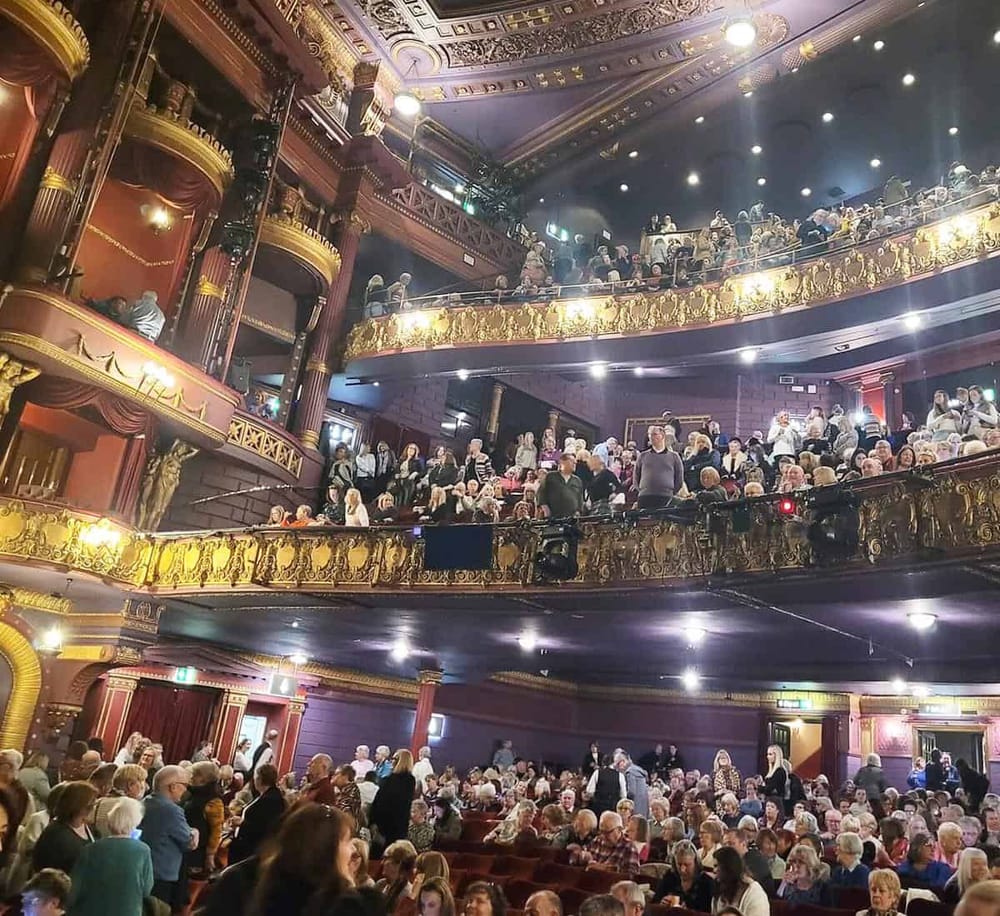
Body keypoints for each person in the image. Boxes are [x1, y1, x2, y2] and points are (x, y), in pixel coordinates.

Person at [67, 797, 153, 916]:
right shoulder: (143, 850)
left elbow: (74, 888)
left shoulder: (90, 849)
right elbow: (146, 889)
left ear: (110, 821)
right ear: (135, 823)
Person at [140, 765, 195, 911]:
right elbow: (188, 842)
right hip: (161, 875)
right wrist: (194, 832)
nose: (186, 790)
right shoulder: (173, 810)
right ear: (173, 787)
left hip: (142, 870)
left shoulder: (144, 802)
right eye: (185, 785)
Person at [32, 781, 97, 875]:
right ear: (75, 806)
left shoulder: (90, 829)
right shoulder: (54, 834)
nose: (92, 809)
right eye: (89, 806)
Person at [228, 763, 285, 865]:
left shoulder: (271, 800)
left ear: (259, 779)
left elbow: (265, 827)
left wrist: (242, 823)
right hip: (247, 847)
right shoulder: (265, 795)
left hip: (253, 850)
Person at [184, 761, 224, 878]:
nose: (191, 777)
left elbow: (216, 830)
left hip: (197, 854)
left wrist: (210, 854)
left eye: (195, 775)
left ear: (204, 778)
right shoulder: (190, 793)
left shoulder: (214, 801)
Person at [371, 749, 417, 848]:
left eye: (394, 759)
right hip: (401, 824)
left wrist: (373, 821)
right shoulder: (411, 781)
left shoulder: (388, 780)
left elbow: (379, 802)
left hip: (385, 823)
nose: (391, 761)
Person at [653, 839, 714, 909]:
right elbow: (654, 902)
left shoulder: (706, 882)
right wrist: (660, 905)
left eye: (687, 865)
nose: (682, 869)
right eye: (679, 864)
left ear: (695, 862)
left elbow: (710, 911)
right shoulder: (670, 876)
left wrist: (687, 911)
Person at [634, 426, 684, 509]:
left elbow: (679, 478)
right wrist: (642, 490)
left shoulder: (674, 456)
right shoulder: (643, 456)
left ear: (663, 436)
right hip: (645, 496)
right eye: (649, 434)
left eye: (654, 434)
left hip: (666, 496)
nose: (651, 437)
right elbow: (636, 476)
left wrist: (670, 492)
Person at [711, 845, 770, 916]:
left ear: (728, 868)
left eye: (716, 866)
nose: (714, 870)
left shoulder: (755, 894)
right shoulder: (719, 892)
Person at [537, 453, 583, 518]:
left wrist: (578, 512)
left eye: (575, 462)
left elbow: (580, 499)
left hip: (572, 518)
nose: (575, 463)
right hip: (553, 517)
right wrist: (545, 509)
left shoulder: (577, 480)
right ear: (562, 462)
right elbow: (541, 493)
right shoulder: (550, 476)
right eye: (572, 461)